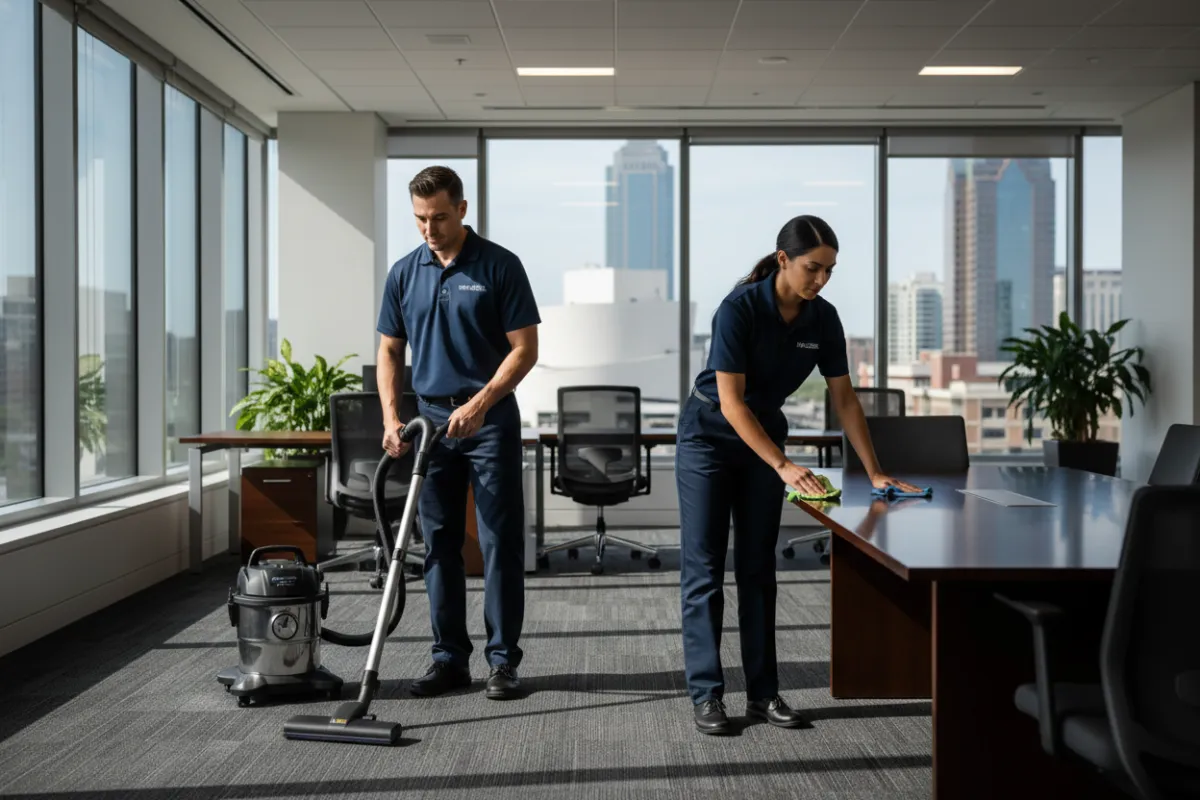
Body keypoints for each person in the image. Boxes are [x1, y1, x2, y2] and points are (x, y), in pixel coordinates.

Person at [675, 215, 921, 735]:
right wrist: (784, 466)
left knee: (759, 571)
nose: (821, 280)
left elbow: (845, 399)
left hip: (765, 436)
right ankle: (708, 695)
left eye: (830, 270)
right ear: (783, 259)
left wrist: (875, 471)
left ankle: (764, 696)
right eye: (813, 268)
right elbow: (731, 403)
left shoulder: (822, 319)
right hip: (710, 439)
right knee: (705, 569)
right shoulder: (738, 309)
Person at [376, 166, 540, 701]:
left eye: (440, 217)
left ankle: (502, 662)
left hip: (490, 420)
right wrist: (389, 418)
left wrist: (480, 402)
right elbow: (389, 350)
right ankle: (448, 659)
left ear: (462, 210)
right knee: (439, 544)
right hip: (430, 423)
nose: (429, 228)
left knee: (498, 542)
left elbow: (525, 349)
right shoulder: (404, 272)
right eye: (421, 219)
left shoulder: (500, 266)